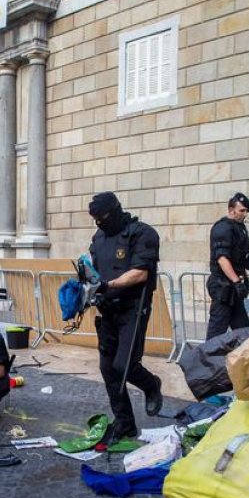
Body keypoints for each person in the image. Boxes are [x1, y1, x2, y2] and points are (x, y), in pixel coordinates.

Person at [86, 191, 163, 445]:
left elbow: (140, 274)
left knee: (124, 365)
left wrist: (108, 286)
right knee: (108, 369)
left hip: (133, 307)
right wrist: (84, 290)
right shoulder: (98, 238)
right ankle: (125, 422)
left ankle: (151, 385)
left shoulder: (142, 233)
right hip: (107, 309)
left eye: (103, 217)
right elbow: (94, 273)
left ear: (116, 210)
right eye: (95, 219)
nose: (99, 223)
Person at [206, 193, 249, 339]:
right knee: (216, 334)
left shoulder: (239, 228)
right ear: (231, 210)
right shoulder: (223, 228)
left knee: (245, 333)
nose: (245, 214)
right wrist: (236, 282)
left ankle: (247, 360)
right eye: (242, 210)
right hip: (223, 287)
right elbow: (222, 259)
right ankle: (205, 361)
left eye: (246, 211)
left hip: (234, 288)